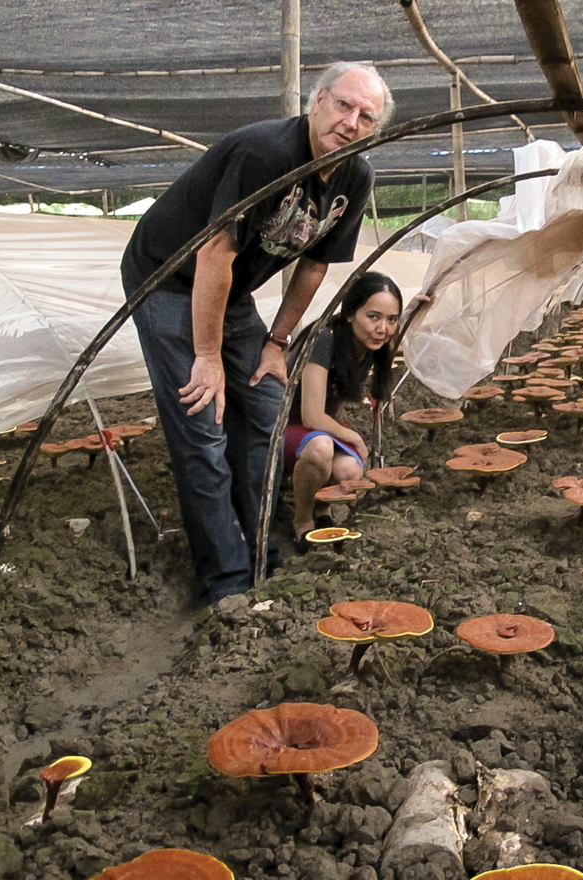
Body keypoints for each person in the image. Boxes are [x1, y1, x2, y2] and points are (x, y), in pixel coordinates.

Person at [120, 62, 394, 604]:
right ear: (318, 101)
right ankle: (226, 581)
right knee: (204, 422)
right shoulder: (265, 154)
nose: (351, 122)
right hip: (169, 279)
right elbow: (214, 252)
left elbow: (315, 264)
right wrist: (207, 354)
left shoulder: (354, 176)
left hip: (233, 290)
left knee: (266, 410)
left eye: (367, 116)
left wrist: (277, 342)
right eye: (343, 105)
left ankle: (262, 546)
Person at [285, 271, 402, 549]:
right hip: (279, 428)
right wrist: (355, 438)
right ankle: (302, 522)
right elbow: (311, 416)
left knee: (350, 469)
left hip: (313, 430)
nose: (382, 328)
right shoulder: (324, 339)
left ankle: (323, 511)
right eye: (373, 316)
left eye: (391, 319)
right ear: (350, 313)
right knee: (321, 448)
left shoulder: (370, 344)